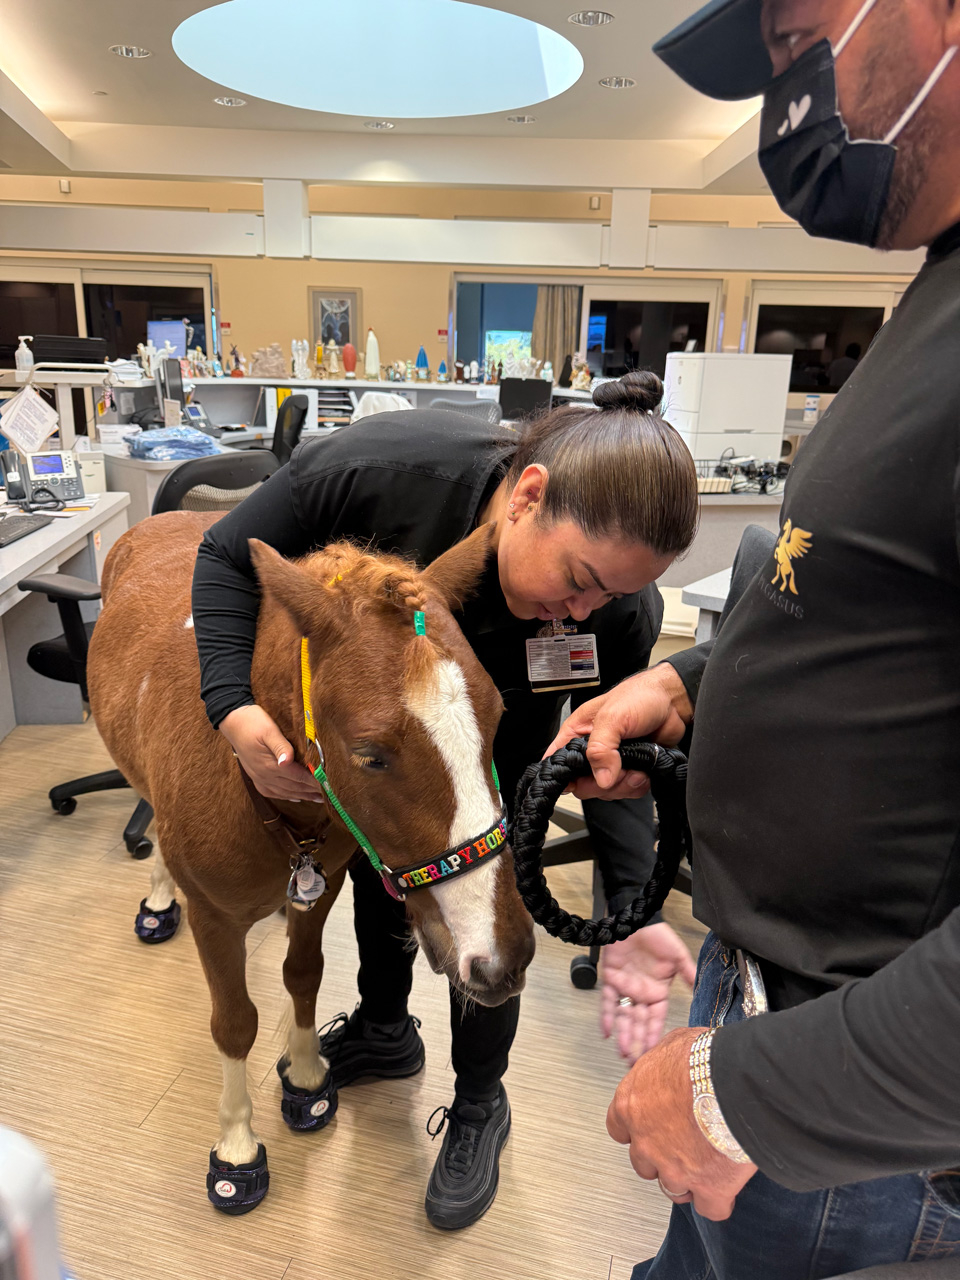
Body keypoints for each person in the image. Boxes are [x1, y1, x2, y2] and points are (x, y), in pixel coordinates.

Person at [547, 1, 960, 1275]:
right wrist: (680, 688)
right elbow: (858, 608)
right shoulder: (936, 301)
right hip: (787, 1020)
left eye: (793, 40)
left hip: (870, 1115)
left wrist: (759, 1095)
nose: (784, 100)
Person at [190, 371, 699, 1230]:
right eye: (579, 577)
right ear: (527, 496)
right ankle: (386, 1027)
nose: (585, 607)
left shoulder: (613, 612)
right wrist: (229, 709)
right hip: (385, 730)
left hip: (503, 741)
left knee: (491, 917)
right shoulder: (384, 470)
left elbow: (608, 753)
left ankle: (477, 1102)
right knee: (383, 870)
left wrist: (626, 907)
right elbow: (223, 558)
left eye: (611, 595)